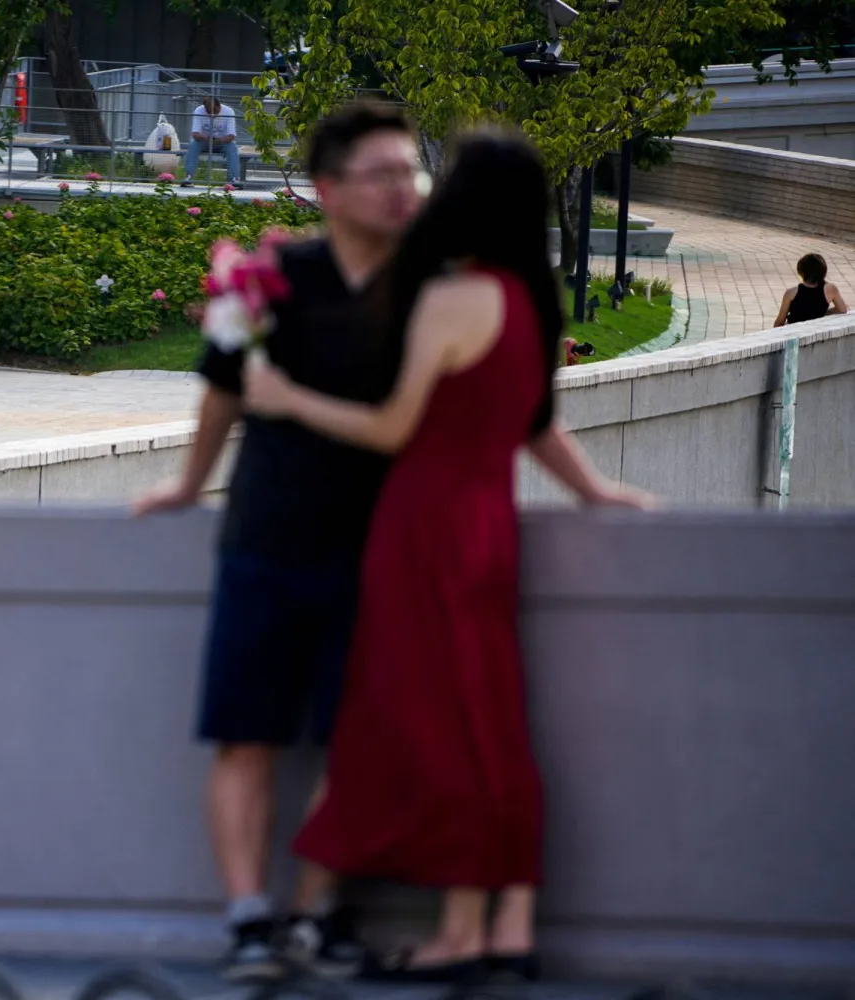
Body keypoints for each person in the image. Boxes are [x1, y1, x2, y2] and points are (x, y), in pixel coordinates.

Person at [241, 126, 651, 984]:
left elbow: (393, 428)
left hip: (422, 530)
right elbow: (535, 423)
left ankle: (460, 930)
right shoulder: (532, 301)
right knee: (492, 721)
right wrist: (596, 493)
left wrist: (285, 395)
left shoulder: (451, 298)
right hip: (489, 528)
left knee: (428, 727)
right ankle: (509, 921)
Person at [134, 101, 426, 980]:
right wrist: (189, 486)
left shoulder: (425, 289)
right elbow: (223, 389)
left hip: (379, 549)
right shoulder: (274, 279)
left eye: (410, 172)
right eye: (381, 174)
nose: (400, 191)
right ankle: (249, 920)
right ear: (329, 189)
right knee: (247, 734)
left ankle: (313, 913)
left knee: (357, 740)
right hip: (265, 535)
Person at [181, 96, 241, 189]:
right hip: (204, 141)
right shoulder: (199, 110)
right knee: (193, 144)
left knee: (232, 146)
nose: (212, 114)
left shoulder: (229, 111)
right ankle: (188, 177)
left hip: (222, 142)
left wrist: (220, 140)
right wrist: (203, 137)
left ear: (219, 105)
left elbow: (231, 136)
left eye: (215, 111)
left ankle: (234, 179)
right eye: (209, 112)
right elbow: (195, 134)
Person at [774, 253, 848, 327]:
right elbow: (842, 309)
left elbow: (780, 322)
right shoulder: (830, 289)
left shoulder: (791, 293)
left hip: (795, 330)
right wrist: (823, 313)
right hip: (816, 328)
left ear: (801, 272)